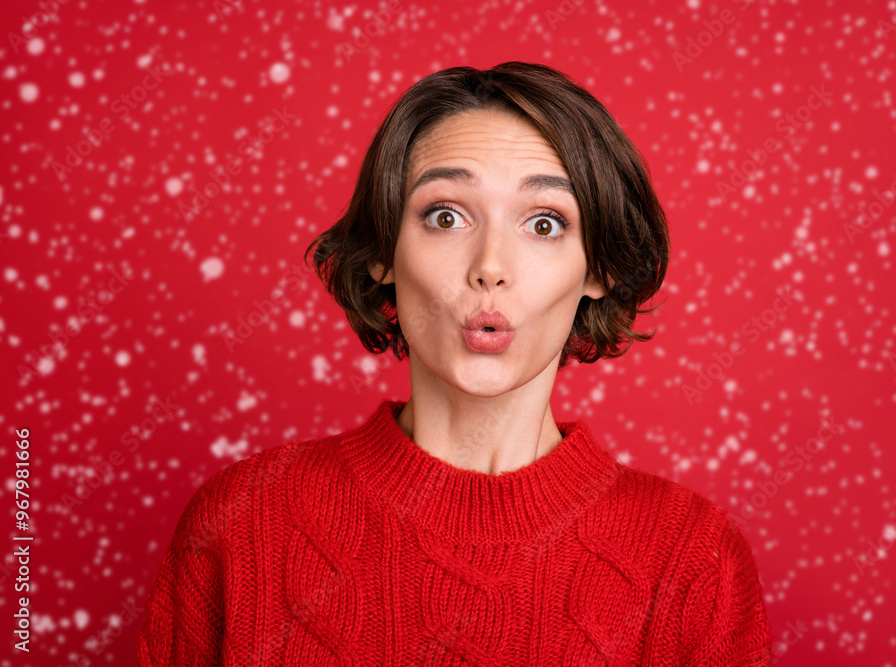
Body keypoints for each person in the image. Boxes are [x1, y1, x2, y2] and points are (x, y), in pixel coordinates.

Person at [135, 62, 773, 665]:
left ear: (598, 269)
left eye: (545, 223)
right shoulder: (243, 523)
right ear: (384, 250)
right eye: (446, 216)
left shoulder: (694, 562)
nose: (489, 266)